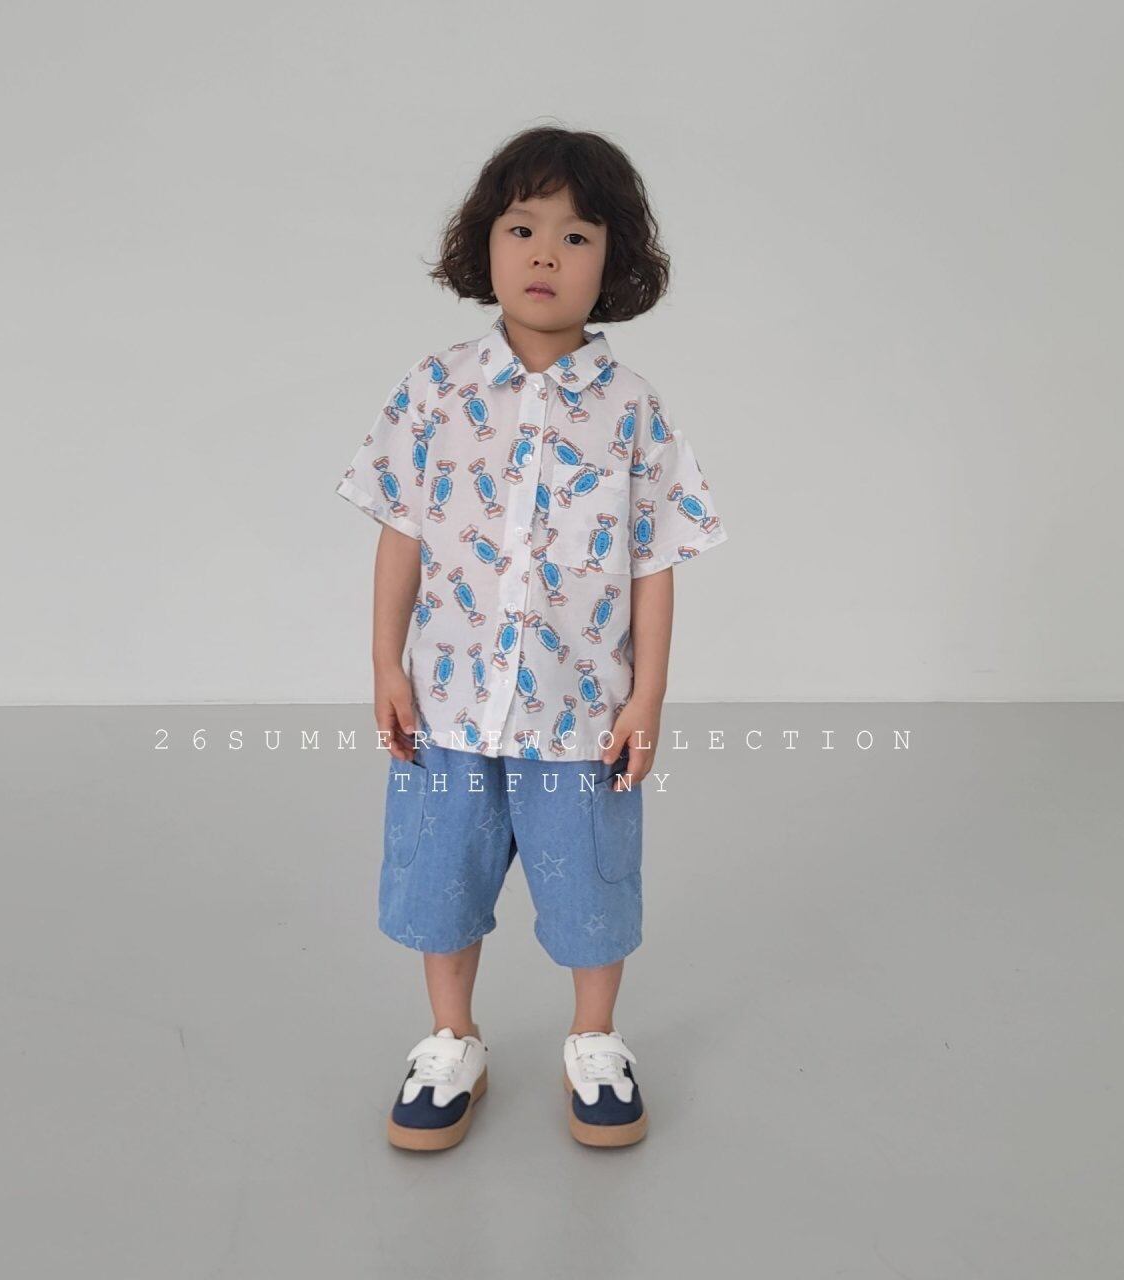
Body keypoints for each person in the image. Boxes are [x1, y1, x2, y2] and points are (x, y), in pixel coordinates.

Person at [334, 125, 729, 1151]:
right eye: (522, 228)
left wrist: (647, 696)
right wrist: (385, 665)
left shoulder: (632, 410)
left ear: (614, 261)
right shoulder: (436, 389)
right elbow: (401, 532)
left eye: (576, 235)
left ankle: (594, 1040)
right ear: (485, 242)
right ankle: (450, 1039)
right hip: (449, 704)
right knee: (441, 878)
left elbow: (653, 559)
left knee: (591, 881)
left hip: (580, 713)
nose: (545, 253)